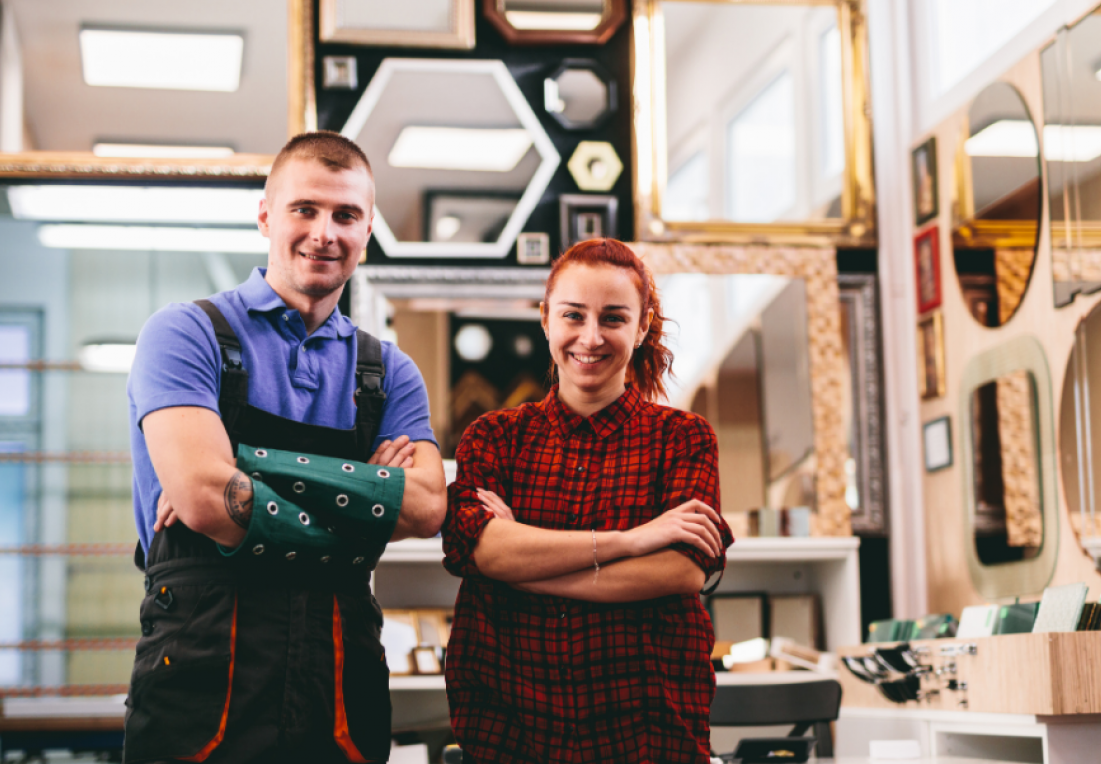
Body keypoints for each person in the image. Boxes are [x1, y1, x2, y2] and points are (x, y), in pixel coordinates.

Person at [124, 131, 447, 763]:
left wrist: (247, 469)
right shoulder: (186, 334)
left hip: (340, 668)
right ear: (267, 214)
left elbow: (428, 507)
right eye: (306, 209)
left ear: (368, 227)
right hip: (202, 661)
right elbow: (200, 498)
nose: (325, 232)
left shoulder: (388, 371)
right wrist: (364, 497)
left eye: (346, 215)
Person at [442, 239, 735, 764]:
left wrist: (521, 565)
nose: (591, 337)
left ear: (642, 327)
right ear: (545, 319)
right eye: (573, 315)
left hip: (648, 727)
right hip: (509, 724)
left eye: (614, 318)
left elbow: (682, 570)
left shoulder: (685, 438)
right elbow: (481, 549)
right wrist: (633, 540)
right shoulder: (493, 437)